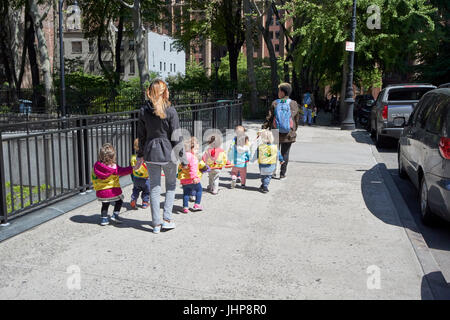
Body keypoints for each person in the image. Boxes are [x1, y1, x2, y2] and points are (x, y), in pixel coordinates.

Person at [135, 79, 188, 234]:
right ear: (165, 92)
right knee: (170, 186)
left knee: (155, 188)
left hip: (151, 152)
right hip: (168, 153)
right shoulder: (170, 110)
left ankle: (156, 224)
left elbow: (141, 136)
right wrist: (183, 159)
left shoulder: (143, 110)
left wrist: (140, 155)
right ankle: (167, 219)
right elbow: (176, 136)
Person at [262, 82, 299, 179]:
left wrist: (264, 127)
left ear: (282, 92)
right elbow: (296, 119)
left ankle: (272, 172)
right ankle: (282, 174)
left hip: (275, 132)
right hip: (289, 133)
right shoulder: (293, 103)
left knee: (274, 152)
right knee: (285, 153)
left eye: (279, 91)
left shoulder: (275, 103)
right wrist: (294, 130)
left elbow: (269, 117)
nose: (278, 92)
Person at [92, 143, 133, 226]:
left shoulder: (97, 166)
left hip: (101, 191)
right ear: (113, 156)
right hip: (113, 190)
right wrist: (132, 168)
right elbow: (123, 171)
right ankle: (115, 215)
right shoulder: (114, 167)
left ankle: (104, 219)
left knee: (105, 204)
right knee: (119, 201)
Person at [177, 137, 208, 214]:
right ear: (191, 149)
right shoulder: (193, 157)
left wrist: (180, 177)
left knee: (186, 193)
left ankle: (185, 207)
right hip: (192, 180)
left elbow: (180, 168)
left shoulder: (183, 157)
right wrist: (194, 177)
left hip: (184, 180)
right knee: (199, 190)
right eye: (196, 149)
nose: (197, 151)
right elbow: (193, 169)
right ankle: (197, 204)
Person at [130, 138, 150, 209]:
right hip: (145, 179)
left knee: (135, 189)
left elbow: (132, 168)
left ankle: (133, 199)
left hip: (136, 178)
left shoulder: (133, 157)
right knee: (146, 191)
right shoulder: (146, 158)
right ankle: (145, 203)